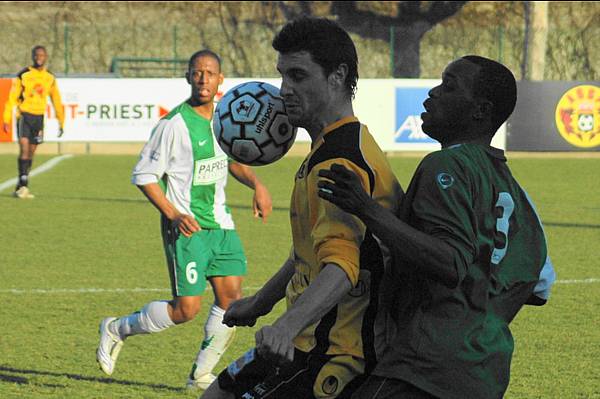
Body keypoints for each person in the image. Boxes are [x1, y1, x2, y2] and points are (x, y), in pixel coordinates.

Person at [317, 55, 556, 399]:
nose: (432, 92)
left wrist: (366, 208)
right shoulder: (516, 193)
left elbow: (450, 261)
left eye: (449, 85)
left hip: (424, 367)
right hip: (484, 372)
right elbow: (541, 284)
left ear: (480, 110)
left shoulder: (446, 165)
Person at [202, 17, 403, 399]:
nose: (284, 90)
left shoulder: (338, 161)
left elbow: (343, 266)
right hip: (303, 337)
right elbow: (311, 249)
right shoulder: (335, 144)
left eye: (298, 76)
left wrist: (285, 325)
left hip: (336, 354)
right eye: (282, 76)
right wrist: (263, 303)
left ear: (337, 76)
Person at [96, 49, 273, 390]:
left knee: (232, 301)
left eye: (210, 73)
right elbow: (145, 175)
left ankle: (199, 376)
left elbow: (233, 159)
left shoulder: (225, 118)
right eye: (197, 72)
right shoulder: (173, 124)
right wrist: (174, 214)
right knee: (185, 310)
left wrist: (257, 184)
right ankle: (116, 328)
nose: (203, 78)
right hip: (187, 228)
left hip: (221, 225)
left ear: (222, 79)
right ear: (188, 77)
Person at [3, 45, 65, 199]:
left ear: (46, 57)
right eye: (37, 55)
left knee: (31, 151)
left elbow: (56, 99)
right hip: (24, 115)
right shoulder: (24, 75)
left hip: (39, 118)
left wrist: (61, 120)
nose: (39, 57)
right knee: (24, 147)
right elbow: (12, 97)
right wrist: (6, 118)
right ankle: (24, 184)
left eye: (42, 55)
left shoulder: (49, 77)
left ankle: (20, 183)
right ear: (32, 56)